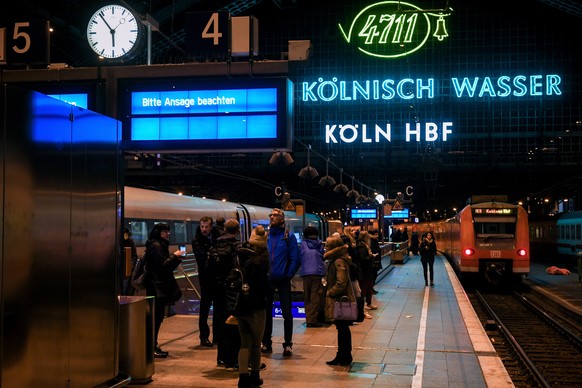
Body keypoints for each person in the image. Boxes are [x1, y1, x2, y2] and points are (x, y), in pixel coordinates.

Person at [262, 208, 300, 357]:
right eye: (271, 215)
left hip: (283, 280)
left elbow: (295, 258)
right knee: (266, 313)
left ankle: (288, 344)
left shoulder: (288, 237)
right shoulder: (266, 237)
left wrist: (288, 275)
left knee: (287, 313)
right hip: (268, 280)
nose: (272, 217)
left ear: (282, 218)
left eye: (276, 215)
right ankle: (266, 343)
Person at [143, 223, 185, 358]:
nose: (167, 234)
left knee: (157, 317)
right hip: (156, 288)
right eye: (164, 232)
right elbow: (163, 266)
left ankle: (152, 345)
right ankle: (151, 346)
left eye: (168, 231)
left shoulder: (158, 245)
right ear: (158, 232)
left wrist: (177, 259)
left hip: (156, 286)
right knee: (156, 317)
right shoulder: (156, 246)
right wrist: (174, 255)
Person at [235, 225, 270, 388]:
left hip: (241, 306)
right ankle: (255, 376)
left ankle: (242, 378)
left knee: (244, 343)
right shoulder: (261, 261)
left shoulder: (241, 256)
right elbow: (264, 287)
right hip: (257, 307)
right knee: (256, 344)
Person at [208, 219, 243, 370]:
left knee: (220, 323)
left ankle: (221, 357)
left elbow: (207, 268)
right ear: (237, 230)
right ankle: (233, 359)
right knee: (233, 323)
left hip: (217, 290)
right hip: (232, 292)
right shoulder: (237, 247)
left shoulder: (214, 246)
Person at [323, 235, 355, 366]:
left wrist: (330, 292)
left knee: (342, 328)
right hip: (340, 300)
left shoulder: (338, 261)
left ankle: (345, 355)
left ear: (333, 247)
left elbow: (341, 282)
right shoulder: (339, 259)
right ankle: (342, 354)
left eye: (327, 245)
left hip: (341, 300)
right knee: (342, 328)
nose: (325, 247)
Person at [191, 216, 221, 347]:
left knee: (219, 309)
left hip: (218, 277)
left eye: (206, 227)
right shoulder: (196, 240)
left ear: (211, 226)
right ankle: (204, 336)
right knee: (204, 308)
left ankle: (218, 336)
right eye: (202, 226)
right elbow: (202, 258)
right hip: (205, 278)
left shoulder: (217, 236)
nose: (204, 229)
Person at [299, 226, 326, 328]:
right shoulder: (319, 245)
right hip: (317, 273)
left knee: (307, 297)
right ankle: (313, 320)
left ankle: (308, 319)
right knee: (315, 296)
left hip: (305, 273)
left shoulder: (303, 245)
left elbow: (300, 256)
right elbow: (323, 256)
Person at [355, 231, 377, 318]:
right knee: (364, 288)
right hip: (364, 271)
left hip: (367, 270)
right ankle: (364, 305)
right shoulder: (362, 246)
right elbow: (363, 259)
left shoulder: (363, 245)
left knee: (369, 287)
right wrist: (371, 256)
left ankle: (368, 303)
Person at [121, 227, 139, 295]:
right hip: (120, 268)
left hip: (127, 268)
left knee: (125, 286)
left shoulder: (130, 241)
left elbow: (134, 255)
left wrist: (131, 265)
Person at [368, 229, 382, 295]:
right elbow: (373, 250)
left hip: (376, 260)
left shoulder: (375, 241)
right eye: (375, 234)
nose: (377, 236)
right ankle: (370, 289)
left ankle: (371, 288)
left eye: (377, 234)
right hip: (373, 261)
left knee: (374, 275)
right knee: (373, 275)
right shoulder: (372, 242)